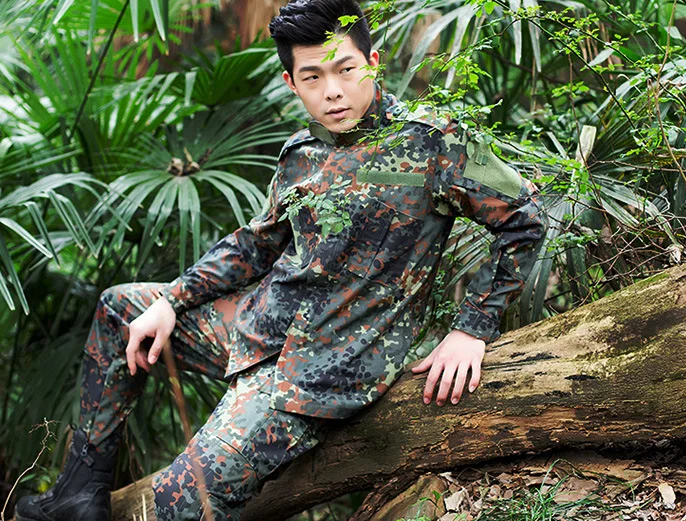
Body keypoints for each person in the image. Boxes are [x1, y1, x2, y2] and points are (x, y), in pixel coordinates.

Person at [14, 0, 547, 519]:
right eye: (313, 77)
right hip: (258, 329)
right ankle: (78, 496)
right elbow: (257, 245)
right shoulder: (301, 153)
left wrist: (472, 328)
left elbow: (525, 217)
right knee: (121, 310)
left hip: (326, 370)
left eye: (346, 69)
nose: (333, 90)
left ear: (372, 62)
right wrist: (172, 300)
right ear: (292, 83)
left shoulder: (434, 142)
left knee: (179, 500)